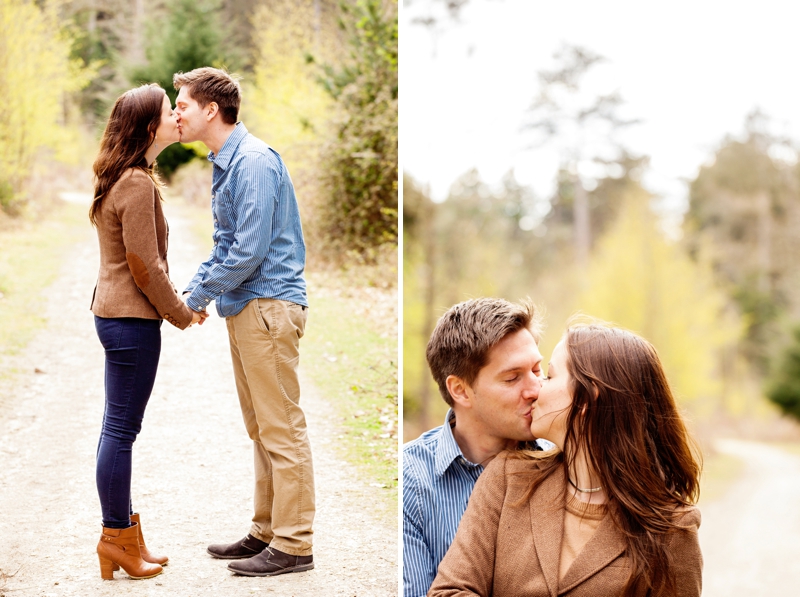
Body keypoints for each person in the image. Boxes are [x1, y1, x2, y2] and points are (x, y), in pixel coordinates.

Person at [429, 321, 703, 597]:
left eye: (547, 376)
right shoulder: (507, 477)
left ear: (586, 399)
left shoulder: (672, 530)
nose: (535, 390)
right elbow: (449, 591)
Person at [172, 67, 314, 577]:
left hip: (268, 306)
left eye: (182, 105)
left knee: (282, 428)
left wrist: (196, 298)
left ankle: (295, 544)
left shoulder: (252, 162)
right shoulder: (226, 163)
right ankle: (266, 532)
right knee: (262, 429)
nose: (176, 115)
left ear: (211, 109)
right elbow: (225, 245)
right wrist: (193, 292)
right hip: (247, 306)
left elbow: (250, 250)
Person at [90, 83, 208, 580]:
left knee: (118, 428)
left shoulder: (129, 176)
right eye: (169, 111)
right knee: (120, 430)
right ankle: (116, 538)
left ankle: (125, 536)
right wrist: (182, 312)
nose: (177, 117)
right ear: (147, 127)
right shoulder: (135, 183)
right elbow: (143, 265)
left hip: (116, 316)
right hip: (130, 321)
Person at [403, 297, 549, 597]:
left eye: (537, 370)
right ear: (460, 390)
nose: (535, 389)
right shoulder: (410, 482)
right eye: (512, 377)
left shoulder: (566, 460)